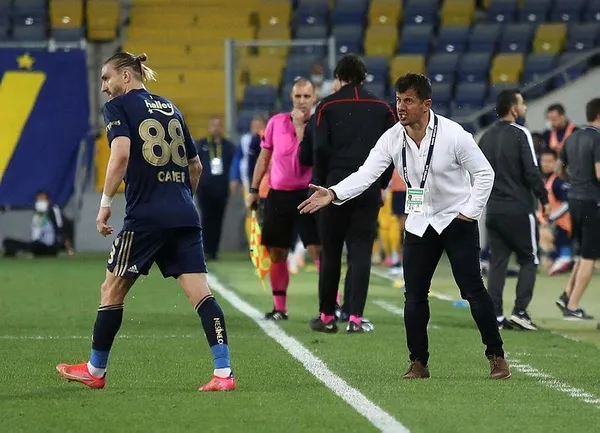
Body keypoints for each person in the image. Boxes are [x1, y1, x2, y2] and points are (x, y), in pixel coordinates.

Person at [299, 73, 510, 379]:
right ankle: (418, 362)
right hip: (420, 221)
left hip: (456, 219)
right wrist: (333, 193)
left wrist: (470, 212)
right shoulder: (392, 137)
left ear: (426, 104)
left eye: (408, 100)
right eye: (398, 100)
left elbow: (484, 173)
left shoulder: (454, 135)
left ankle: (496, 355)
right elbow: (366, 174)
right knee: (414, 296)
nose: (400, 106)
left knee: (473, 290)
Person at [56, 52, 235, 392]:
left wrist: (105, 204)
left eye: (106, 78)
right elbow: (195, 167)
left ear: (126, 76)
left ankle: (95, 369)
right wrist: (180, 201)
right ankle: (223, 373)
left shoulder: (119, 107)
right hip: (185, 215)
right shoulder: (171, 107)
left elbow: (120, 155)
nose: (104, 87)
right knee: (202, 296)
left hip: (146, 218)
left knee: (111, 289)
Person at [308, 54, 395, 334]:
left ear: (338, 77)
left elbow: (319, 149)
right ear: (363, 77)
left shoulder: (326, 106)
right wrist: (381, 184)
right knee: (360, 252)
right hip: (368, 188)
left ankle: (326, 316)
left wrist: (322, 185)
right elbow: (392, 152)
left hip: (333, 187)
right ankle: (355, 318)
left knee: (331, 252)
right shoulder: (382, 107)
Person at [246, 78, 321, 320]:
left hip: (309, 194)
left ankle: (332, 306)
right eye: (298, 96)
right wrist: (254, 189)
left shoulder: (319, 124)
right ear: (291, 97)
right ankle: (280, 308)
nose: (302, 101)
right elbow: (264, 158)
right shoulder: (276, 122)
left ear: (314, 98)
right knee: (277, 251)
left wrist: (299, 126)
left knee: (318, 250)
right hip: (278, 194)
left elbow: (306, 156)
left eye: (306, 97)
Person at [479, 89, 549, 331]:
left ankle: (495, 315)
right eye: (522, 103)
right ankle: (520, 312)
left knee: (497, 262)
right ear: (513, 109)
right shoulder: (521, 133)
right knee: (529, 259)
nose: (525, 107)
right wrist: (544, 198)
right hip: (519, 208)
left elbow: (477, 173)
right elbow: (532, 171)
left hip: (493, 210)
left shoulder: (485, 137)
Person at [554, 97, 600, 320]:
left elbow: (558, 169)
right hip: (592, 200)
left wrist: (574, 180)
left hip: (574, 199)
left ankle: (567, 296)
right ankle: (572, 306)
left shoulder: (572, 137)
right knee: (590, 256)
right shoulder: (598, 139)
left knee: (582, 253)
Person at [196, 116, 236, 260]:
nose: (216, 128)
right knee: (206, 219)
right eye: (213, 125)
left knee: (218, 220)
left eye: (218, 125)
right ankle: (206, 250)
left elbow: (234, 166)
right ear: (209, 127)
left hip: (221, 188)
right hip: (205, 188)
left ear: (222, 127)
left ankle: (214, 251)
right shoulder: (201, 145)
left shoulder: (228, 146)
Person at [2, 190, 74, 258]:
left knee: (37, 247)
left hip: (49, 246)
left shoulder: (53, 210)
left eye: (43, 198)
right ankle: (16, 253)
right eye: (39, 199)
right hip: (37, 243)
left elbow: (61, 231)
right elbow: (36, 234)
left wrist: (70, 250)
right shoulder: (38, 214)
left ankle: (25, 252)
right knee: (8, 241)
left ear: (48, 200)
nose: (40, 201)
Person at [537, 148, 572, 276]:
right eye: (544, 161)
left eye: (550, 161)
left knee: (556, 258)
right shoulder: (542, 179)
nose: (546, 164)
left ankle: (566, 259)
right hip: (548, 223)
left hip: (561, 224)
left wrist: (551, 218)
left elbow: (566, 204)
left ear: (556, 162)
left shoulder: (558, 181)